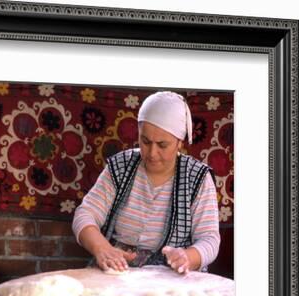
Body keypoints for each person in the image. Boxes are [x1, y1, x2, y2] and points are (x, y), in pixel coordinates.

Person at [72, 91, 220, 274]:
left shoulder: (197, 178)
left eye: (162, 145)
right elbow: (85, 214)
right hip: (117, 269)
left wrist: (188, 257)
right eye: (145, 141)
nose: (152, 153)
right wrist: (102, 248)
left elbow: (210, 239)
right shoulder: (121, 167)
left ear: (179, 142)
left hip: (170, 276)